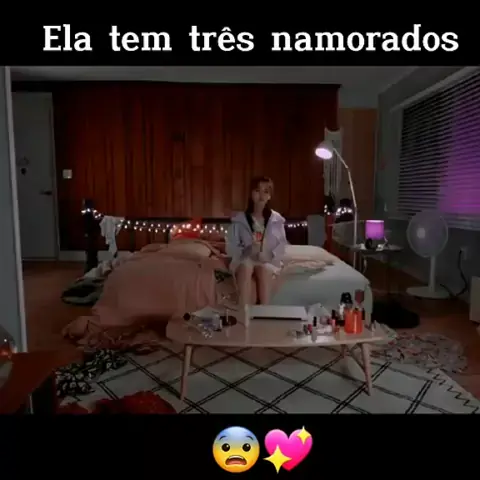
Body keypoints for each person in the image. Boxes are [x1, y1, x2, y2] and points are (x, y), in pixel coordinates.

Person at [226, 176, 287, 306]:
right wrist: (248, 251)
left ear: (270, 196)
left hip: (268, 260)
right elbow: (231, 247)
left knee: (263, 270)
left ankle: (265, 312)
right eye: (257, 191)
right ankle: (243, 311)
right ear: (251, 193)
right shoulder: (240, 220)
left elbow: (281, 246)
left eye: (266, 191)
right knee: (245, 268)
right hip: (245, 259)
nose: (261, 195)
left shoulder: (276, 220)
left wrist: (268, 255)